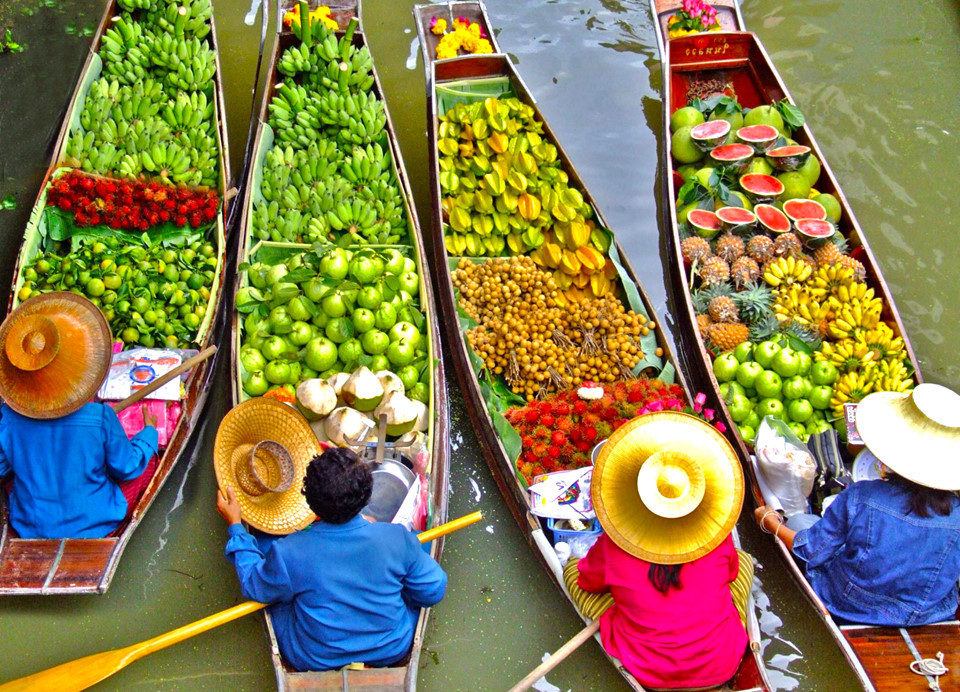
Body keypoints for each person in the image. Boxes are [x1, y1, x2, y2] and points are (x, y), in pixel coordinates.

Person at [214, 398, 447, 672]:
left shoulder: (288, 551)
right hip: (390, 647)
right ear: (364, 501)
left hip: (312, 656)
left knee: (272, 584)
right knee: (416, 557)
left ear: (310, 504)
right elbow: (433, 590)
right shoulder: (398, 539)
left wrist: (237, 529)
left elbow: (255, 586)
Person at [564, 412, 751, 689]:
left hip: (649, 673)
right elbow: (732, 572)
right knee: (743, 561)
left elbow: (586, 582)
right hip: (722, 665)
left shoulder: (614, 548)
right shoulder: (716, 540)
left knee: (572, 571)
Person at [755, 383, 960, 627]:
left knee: (799, 521)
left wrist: (770, 522)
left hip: (850, 606)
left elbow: (811, 551)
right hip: (928, 615)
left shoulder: (863, 496)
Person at [0, 293, 159, 539]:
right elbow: (126, 468)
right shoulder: (101, 416)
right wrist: (149, 433)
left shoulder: (8, 418)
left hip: (31, 525)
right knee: (147, 463)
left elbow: (2, 469)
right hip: (97, 522)